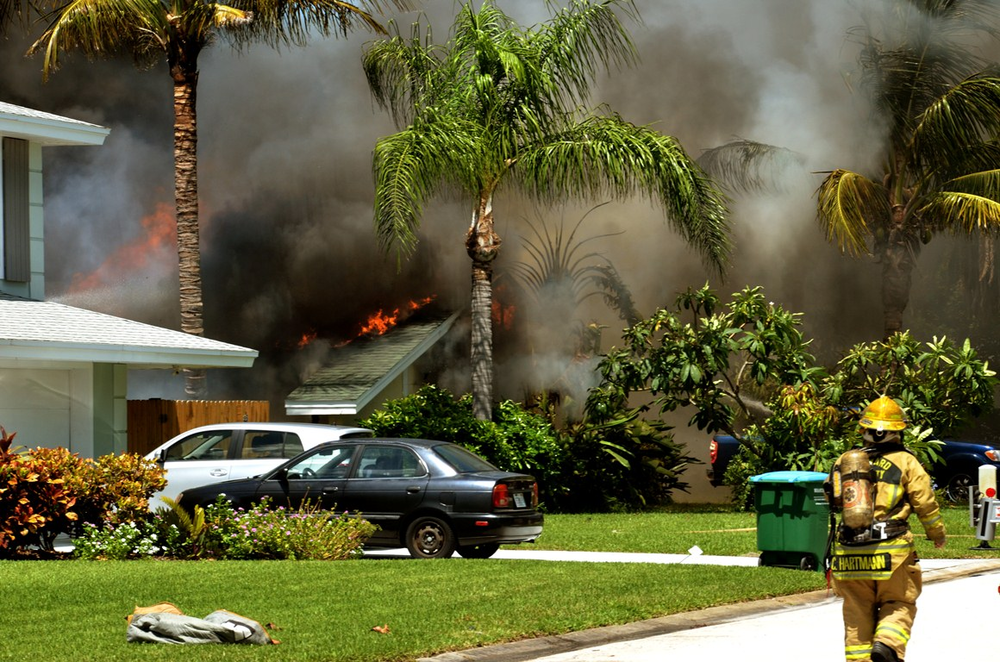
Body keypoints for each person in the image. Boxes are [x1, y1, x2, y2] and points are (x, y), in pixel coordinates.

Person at [828, 395, 946, 662]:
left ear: (864, 430)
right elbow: (924, 501)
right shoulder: (906, 461)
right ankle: (887, 645)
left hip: (849, 552)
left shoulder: (845, 460)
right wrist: (937, 534)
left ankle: (859, 659)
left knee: (857, 613)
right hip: (892, 552)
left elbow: (831, 498)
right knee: (899, 603)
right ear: (897, 431)